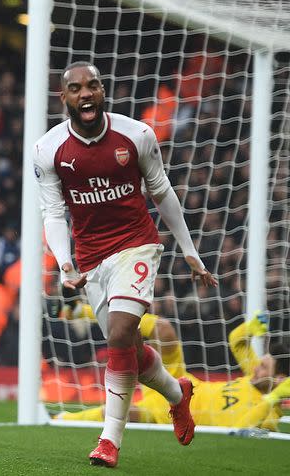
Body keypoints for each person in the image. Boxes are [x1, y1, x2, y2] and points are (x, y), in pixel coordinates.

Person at [33, 61, 218, 467]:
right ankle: (177, 393)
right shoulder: (48, 150)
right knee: (129, 348)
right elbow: (52, 212)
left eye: (93, 86)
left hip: (137, 246)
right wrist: (65, 263)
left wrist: (189, 250)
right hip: (91, 257)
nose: (86, 94)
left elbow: (162, 192)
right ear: (64, 98)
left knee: (118, 334)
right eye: (77, 89)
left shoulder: (136, 135)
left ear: (102, 92)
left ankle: (109, 441)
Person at [57, 309, 290, 430]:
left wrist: (273, 399)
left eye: (264, 367)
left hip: (174, 414)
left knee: (124, 411)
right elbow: (237, 339)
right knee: (163, 329)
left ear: (279, 380)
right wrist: (254, 326)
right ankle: (79, 310)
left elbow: (241, 429)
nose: (256, 367)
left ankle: (63, 420)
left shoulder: (266, 414)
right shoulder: (255, 377)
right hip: (181, 380)